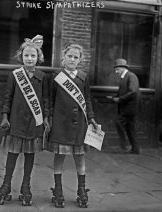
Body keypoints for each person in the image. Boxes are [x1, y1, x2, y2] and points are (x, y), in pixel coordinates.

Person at [0, 35, 50, 206]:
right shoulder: (15, 75)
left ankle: (26, 186)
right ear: (21, 56)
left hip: (34, 123)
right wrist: (5, 116)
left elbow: (46, 100)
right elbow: (7, 98)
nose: (29, 58)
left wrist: (46, 118)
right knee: (12, 155)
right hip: (16, 121)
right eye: (26, 55)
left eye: (33, 55)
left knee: (29, 156)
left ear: (38, 57)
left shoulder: (42, 77)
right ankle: (6, 185)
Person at [47, 44, 97, 208]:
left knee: (79, 156)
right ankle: (58, 189)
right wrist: (49, 118)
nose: (72, 59)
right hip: (61, 123)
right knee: (59, 156)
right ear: (64, 57)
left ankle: (81, 190)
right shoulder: (56, 76)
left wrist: (91, 118)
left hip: (79, 124)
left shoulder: (83, 77)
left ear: (80, 60)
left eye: (76, 57)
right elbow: (50, 99)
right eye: (70, 56)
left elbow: (87, 99)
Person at [111, 58, 141, 154]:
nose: (116, 71)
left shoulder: (131, 76)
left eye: (117, 69)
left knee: (118, 122)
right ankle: (135, 149)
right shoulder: (124, 77)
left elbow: (133, 92)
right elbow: (125, 91)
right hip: (129, 107)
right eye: (116, 69)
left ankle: (125, 145)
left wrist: (120, 99)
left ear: (123, 68)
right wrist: (115, 97)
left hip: (130, 107)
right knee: (130, 127)